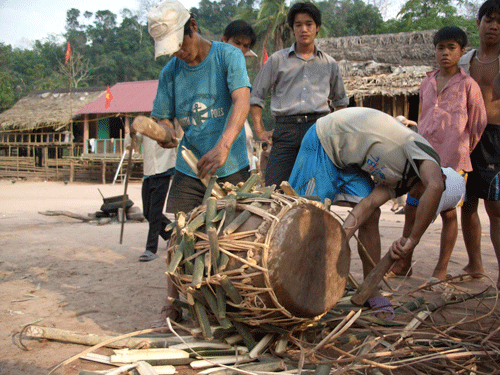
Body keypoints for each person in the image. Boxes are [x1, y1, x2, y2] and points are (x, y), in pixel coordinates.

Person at [142, 0, 252, 322]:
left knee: (235, 236)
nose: (179, 53)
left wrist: (223, 146)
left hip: (230, 162)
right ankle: (173, 300)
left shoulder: (227, 56)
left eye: (181, 45)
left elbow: (241, 100)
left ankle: (236, 300)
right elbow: (163, 119)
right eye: (171, 50)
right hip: (189, 166)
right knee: (179, 233)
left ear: (193, 27)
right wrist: (162, 132)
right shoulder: (171, 73)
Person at [288, 107, 451, 318]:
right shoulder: (423, 151)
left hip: (349, 160)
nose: (418, 199)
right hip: (324, 140)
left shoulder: (400, 182)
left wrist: (340, 240)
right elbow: (435, 187)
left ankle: (371, 286)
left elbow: (367, 205)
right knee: (307, 214)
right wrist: (413, 239)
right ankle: (293, 284)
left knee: (372, 216)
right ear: (441, 176)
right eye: (423, 196)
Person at [389, 26, 487, 281]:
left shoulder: (468, 85)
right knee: (412, 205)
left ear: (462, 51)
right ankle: (404, 263)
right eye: (440, 47)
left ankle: (440, 269)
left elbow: (478, 124)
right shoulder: (427, 82)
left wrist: (463, 148)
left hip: (454, 163)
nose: (445, 53)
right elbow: (423, 118)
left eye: (451, 48)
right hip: (425, 160)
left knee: (448, 213)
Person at [250, 2, 348, 188]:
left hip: (317, 129)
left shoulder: (329, 64)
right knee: (274, 188)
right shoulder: (277, 60)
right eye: (298, 24)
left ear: (317, 28)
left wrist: (334, 131)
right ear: (292, 28)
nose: (304, 29)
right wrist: (260, 131)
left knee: (316, 189)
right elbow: (256, 96)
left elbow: (340, 101)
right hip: (285, 129)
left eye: (309, 24)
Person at [458, 0, 500, 288]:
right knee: (467, 202)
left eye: (499, 21)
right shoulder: (465, 61)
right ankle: (475, 263)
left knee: (496, 206)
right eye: (489, 20)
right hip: (467, 136)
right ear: (478, 23)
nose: (494, 26)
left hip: (497, 137)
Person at [125, 132, 177, 262]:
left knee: (155, 213)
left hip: (163, 171)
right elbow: (131, 144)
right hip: (148, 173)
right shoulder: (145, 128)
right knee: (148, 213)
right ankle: (171, 232)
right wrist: (132, 132)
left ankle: (151, 249)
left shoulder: (167, 126)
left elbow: (173, 139)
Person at [221, 20, 258, 172]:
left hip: (236, 128)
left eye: (246, 46)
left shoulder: (241, 71)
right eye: (237, 43)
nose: (241, 49)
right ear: (224, 39)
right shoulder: (212, 62)